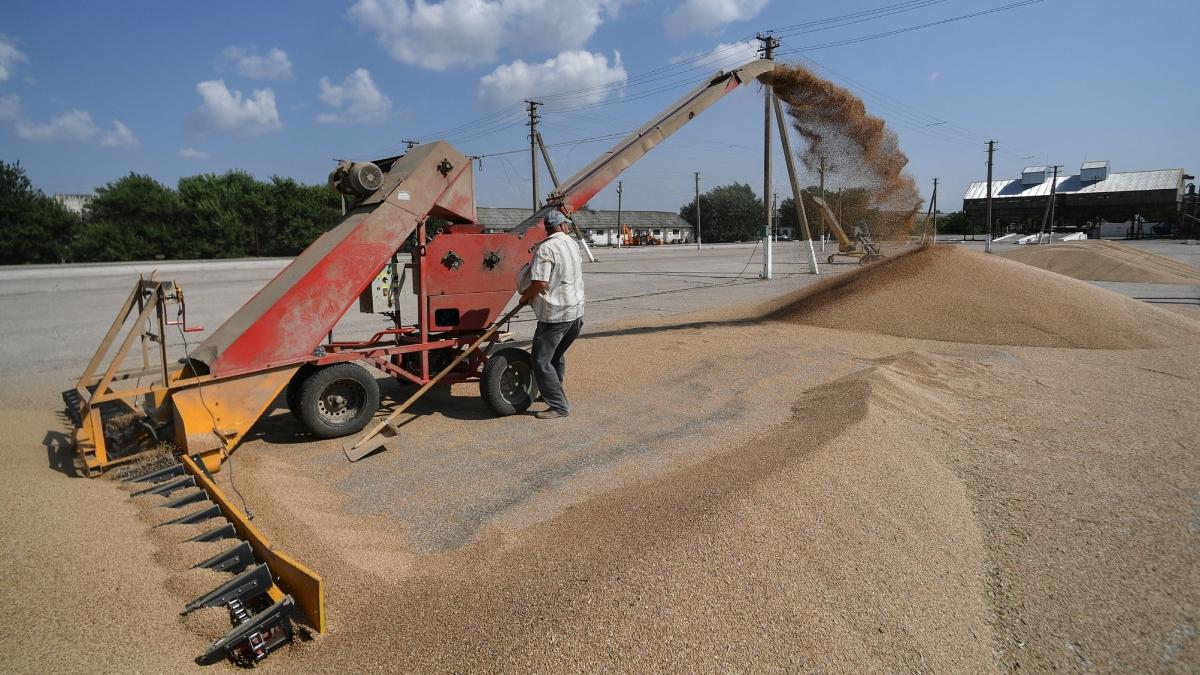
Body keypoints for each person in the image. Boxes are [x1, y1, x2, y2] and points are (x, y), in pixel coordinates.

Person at [517, 210, 584, 419]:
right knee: (555, 355)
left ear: (547, 229)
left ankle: (558, 406)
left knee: (540, 361)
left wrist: (524, 297)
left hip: (555, 316)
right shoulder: (572, 244)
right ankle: (553, 392)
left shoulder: (546, 249)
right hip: (576, 313)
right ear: (563, 226)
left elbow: (540, 283)